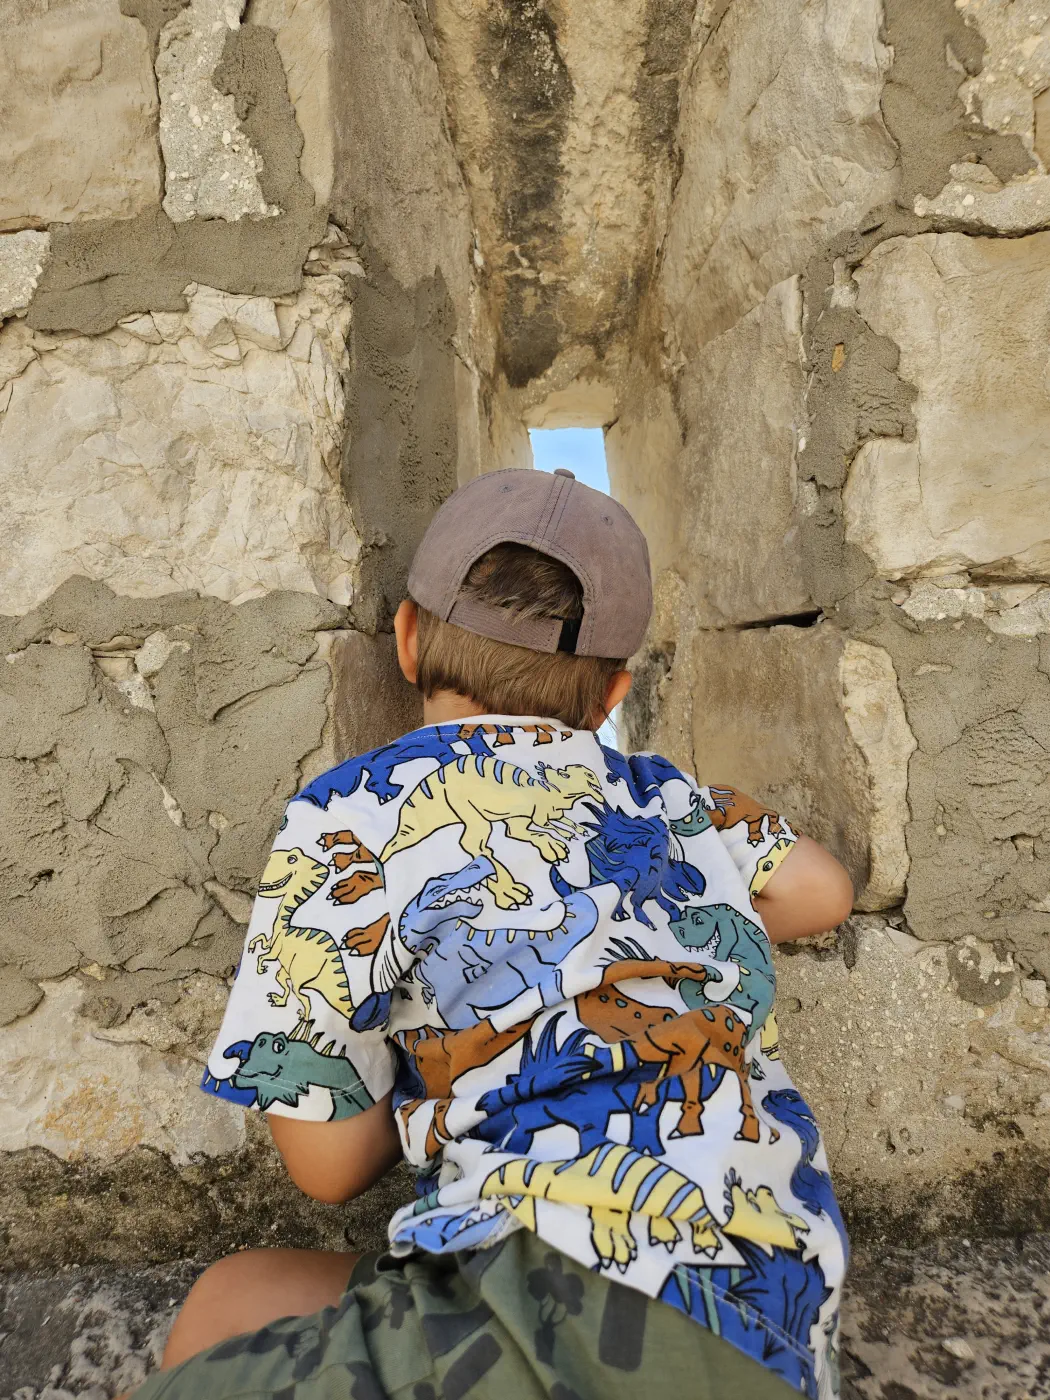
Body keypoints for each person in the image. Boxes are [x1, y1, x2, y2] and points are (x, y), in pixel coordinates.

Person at [128, 467, 854, 1400]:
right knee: (237, 1297)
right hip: (777, 1311)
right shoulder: (671, 798)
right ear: (613, 694)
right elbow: (820, 890)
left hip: (550, 1297)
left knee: (202, 1336)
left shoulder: (348, 816)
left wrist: (448, 1055)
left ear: (406, 637)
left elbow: (327, 1168)